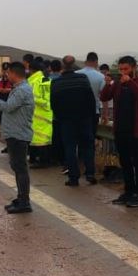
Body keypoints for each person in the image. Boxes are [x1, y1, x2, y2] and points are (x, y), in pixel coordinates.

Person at [102, 56, 138, 207]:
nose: (123, 72)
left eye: (126, 69)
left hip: (136, 131)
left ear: (133, 68)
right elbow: (104, 96)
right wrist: (109, 83)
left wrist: (129, 82)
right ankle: (128, 191)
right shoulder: (117, 84)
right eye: (121, 69)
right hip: (120, 129)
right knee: (125, 162)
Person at [0, 63, 34, 213]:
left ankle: (24, 202)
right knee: (17, 167)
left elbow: (8, 107)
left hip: (18, 134)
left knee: (20, 168)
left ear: (14, 73)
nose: (7, 76)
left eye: (8, 73)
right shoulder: (20, 89)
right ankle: (21, 198)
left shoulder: (22, 90)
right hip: (15, 133)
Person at [51, 56, 97, 186]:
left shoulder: (56, 83)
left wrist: (61, 118)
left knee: (70, 148)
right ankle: (90, 174)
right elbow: (91, 99)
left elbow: (54, 104)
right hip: (84, 119)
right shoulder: (83, 79)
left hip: (67, 121)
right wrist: (90, 116)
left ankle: (73, 177)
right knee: (88, 146)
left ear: (62, 66)